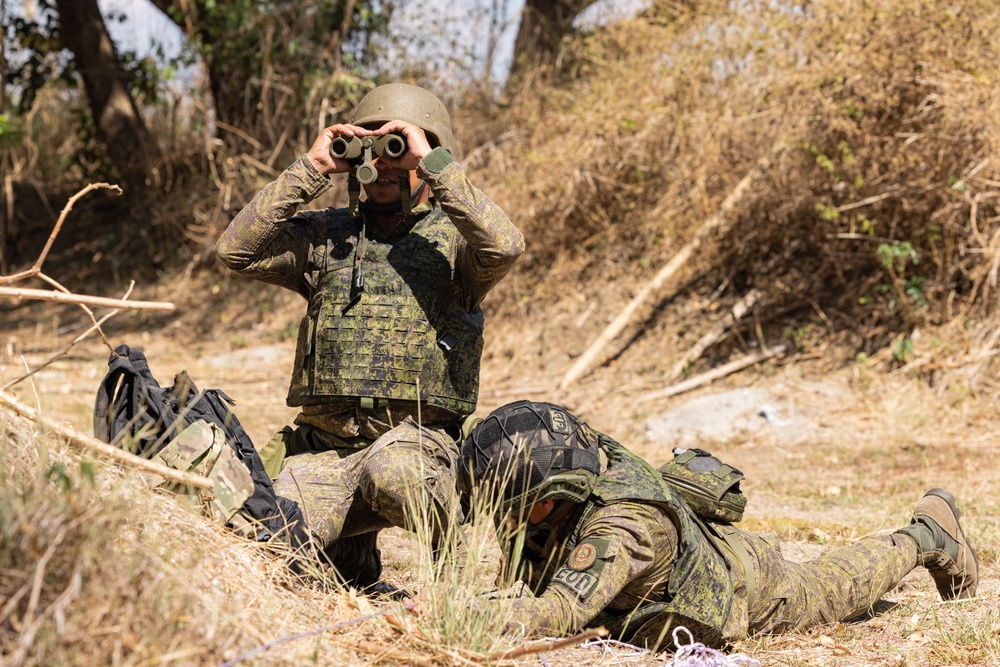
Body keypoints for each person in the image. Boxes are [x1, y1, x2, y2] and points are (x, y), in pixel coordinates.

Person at [216, 83, 524, 591]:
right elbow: (235, 252)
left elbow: (506, 245)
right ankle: (351, 554)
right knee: (264, 542)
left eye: (397, 148)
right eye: (372, 146)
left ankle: (453, 583)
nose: (383, 163)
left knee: (393, 474)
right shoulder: (325, 236)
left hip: (417, 446)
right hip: (325, 451)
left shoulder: (457, 244)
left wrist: (435, 165)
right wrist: (310, 169)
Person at [458, 400, 979, 649]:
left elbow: (561, 612)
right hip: (691, 558)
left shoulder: (622, 528)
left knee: (834, 587)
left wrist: (453, 618)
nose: (495, 510)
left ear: (552, 495)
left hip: (746, 586)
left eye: (505, 496)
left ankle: (926, 534)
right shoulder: (573, 472)